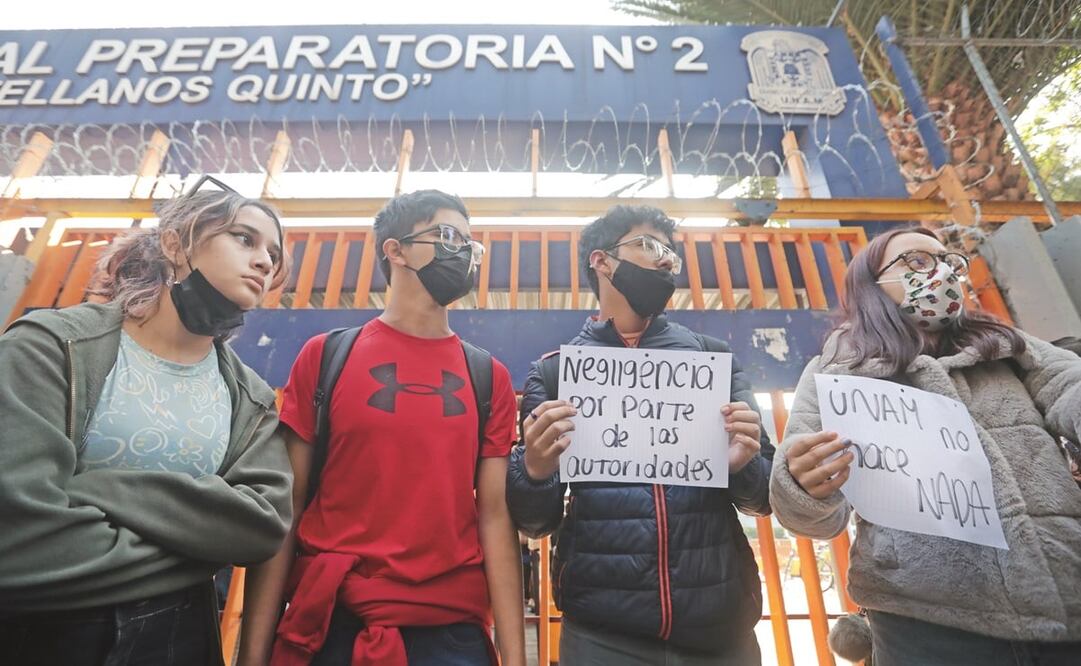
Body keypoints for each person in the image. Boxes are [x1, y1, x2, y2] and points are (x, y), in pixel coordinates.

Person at [0, 177, 294, 666]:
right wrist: (200, 553)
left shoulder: (250, 399)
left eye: (274, 254)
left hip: (181, 641)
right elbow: (18, 538)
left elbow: (260, 526)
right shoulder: (51, 347)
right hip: (38, 636)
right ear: (175, 245)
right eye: (244, 238)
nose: (265, 261)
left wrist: (95, 490)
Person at [238, 190, 525, 666]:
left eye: (469, 244)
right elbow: (286, 508)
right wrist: (252, 656)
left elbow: (495, 518)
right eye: (446, 235)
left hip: (450, 633)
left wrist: (515, 658)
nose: (462, 253)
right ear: (395, 250)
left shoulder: (488, 377)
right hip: (332, 624)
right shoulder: (326, 356)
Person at [771, 226, 1081, 665]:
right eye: (917, 261)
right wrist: (804, 483)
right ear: (872, 284)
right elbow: (807, 516)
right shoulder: (836, 370)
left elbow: (1071, 385)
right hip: (921, 621)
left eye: (951, 263)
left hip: (1066, 592)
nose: (942, 273)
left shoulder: (1007, 344)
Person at [506, 205, 773, 665]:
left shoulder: (712, 362)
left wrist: (742, 465)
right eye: (649, 245)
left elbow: (763, 498)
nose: (666, 259)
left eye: (671, 252)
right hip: (601, 634)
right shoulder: (555, 374)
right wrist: (534, 470)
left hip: (722, 627)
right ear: (602, 261)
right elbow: (535, 524)